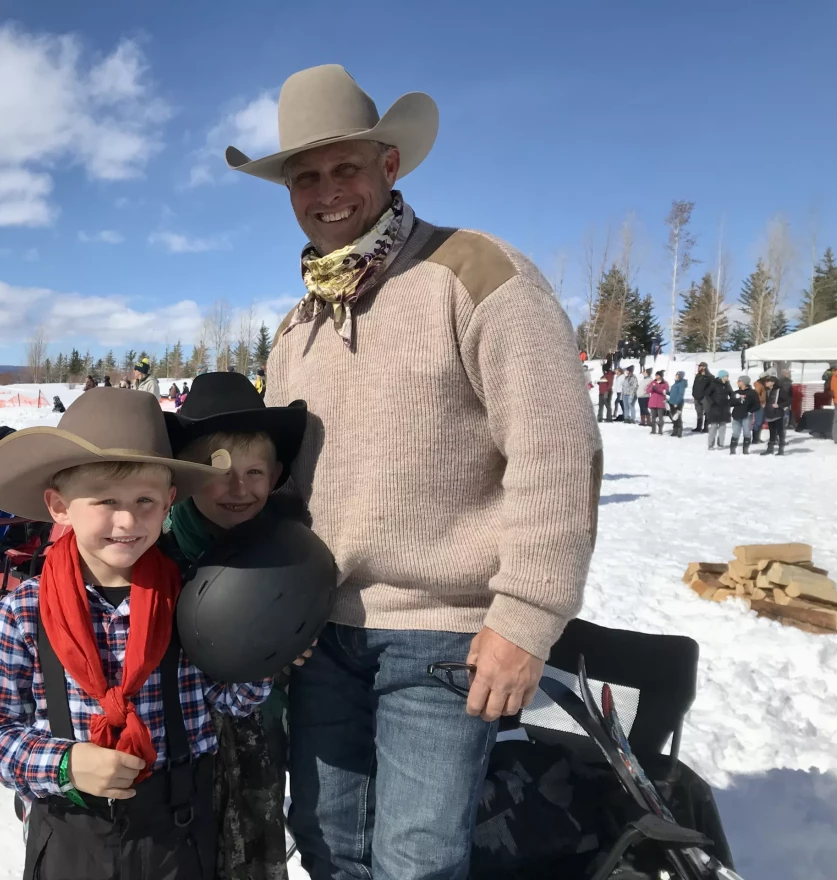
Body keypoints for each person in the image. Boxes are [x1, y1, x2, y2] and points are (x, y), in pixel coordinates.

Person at [228, 64, 602, 880]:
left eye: (345, 168)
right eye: (305, 176)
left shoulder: (475, 276)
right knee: (325, 845)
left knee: (416, 863)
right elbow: (287, 490)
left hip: (444, 637)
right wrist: (278, 612)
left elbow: (557, 455)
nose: (326, 192)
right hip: (324, 637)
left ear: (388, 165)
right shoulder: (295, 329)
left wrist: (525, 619)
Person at [0, 389, 270, 880]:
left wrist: (263, 653)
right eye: (106, 501)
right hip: (70, 831)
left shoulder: (189, 600)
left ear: (168, 501)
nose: (127, 521)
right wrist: (63, 763)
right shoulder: (22, 613)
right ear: (60, 507)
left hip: (180, 830)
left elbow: (228, 701)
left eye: (145, 501)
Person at [163, 372, 308, 880]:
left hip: (258, 746)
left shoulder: (288, 552)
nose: (238, 489)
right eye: (217, 469)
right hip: (176, 754)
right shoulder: (157, 554)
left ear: (275, 475)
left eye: (254, 472)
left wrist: (291, 644)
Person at [729, 376, 760, 455]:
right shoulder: (736, 392)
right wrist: (737, 401)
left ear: (744, 382)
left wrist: (750, 411)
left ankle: (745, 450)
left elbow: (757, 405)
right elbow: (730, 403)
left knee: (747, 433)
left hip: (746, 416)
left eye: (739, 381)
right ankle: (732, 450)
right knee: (735, 433)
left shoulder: (752, 393)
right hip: (736, 415)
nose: (737, 382)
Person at [705, 370, 733, 451]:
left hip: (724, 408)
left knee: (723, 426)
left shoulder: (728, 385)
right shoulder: (714, 384)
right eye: (726, 376)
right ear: (722, 376)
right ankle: (710, 444)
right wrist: (713, 402)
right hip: (715, 408)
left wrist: (730, 402)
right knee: (713, 426)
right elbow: (708, 395)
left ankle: (721, 443)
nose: (727, 377)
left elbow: (732, 394)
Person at [761, 374, 787, 456]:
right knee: (772, 432)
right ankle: (770, 449)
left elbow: (788, 400)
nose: (766, 382)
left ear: (773, 382)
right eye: (766, 381)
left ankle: (781, 450)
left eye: (768, 381)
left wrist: (779, 405)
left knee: (780, 432)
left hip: (778, 414)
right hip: (769, 414)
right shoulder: (767, 390)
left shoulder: (780, 390)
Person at [691, 362, 713, 433]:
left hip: (705, 398)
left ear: (704, 367)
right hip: (696, 397)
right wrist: (693, 394)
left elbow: (712, 388)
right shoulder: (697, 376)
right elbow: (694, 386)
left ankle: (706, 427)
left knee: (707, 412)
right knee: (699, 412)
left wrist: (706, 394)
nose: (699, 368)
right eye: (699, 366)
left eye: (701, 366)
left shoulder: (710, 377)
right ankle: (698, 427)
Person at [647, 370, 670, 435]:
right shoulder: (653, 382)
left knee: (660, 417)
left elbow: (666, 391)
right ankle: (653, 430)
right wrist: (652, 388)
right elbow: (648, 390)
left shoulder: (665, 383)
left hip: (661, 402)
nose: (656, 376)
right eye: (655, 375)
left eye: (657, 375)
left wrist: (657, 389)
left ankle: (660, 430)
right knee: (653, 417)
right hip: (653, 402)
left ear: (661, 376)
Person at [667, 371, 688, 438]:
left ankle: (679, 431)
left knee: (678, 417)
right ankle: (675, 431)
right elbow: (672, 393)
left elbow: (680, 394)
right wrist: (667, 392)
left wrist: (677, 402)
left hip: (678, 403)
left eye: (678, 375)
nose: (677, 376)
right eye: (676, 375)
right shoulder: (675, 384)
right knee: (673, 417)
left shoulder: (681, 384)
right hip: (672, 402)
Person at [751, 375, 768, 443]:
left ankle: (757, 437)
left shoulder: (762, 385)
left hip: (762, 405)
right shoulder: (759, 385)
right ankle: (755, 439)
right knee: (758, 422)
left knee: (761, 422)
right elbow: (755, 396)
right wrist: (762, 401)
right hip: (760, 405)